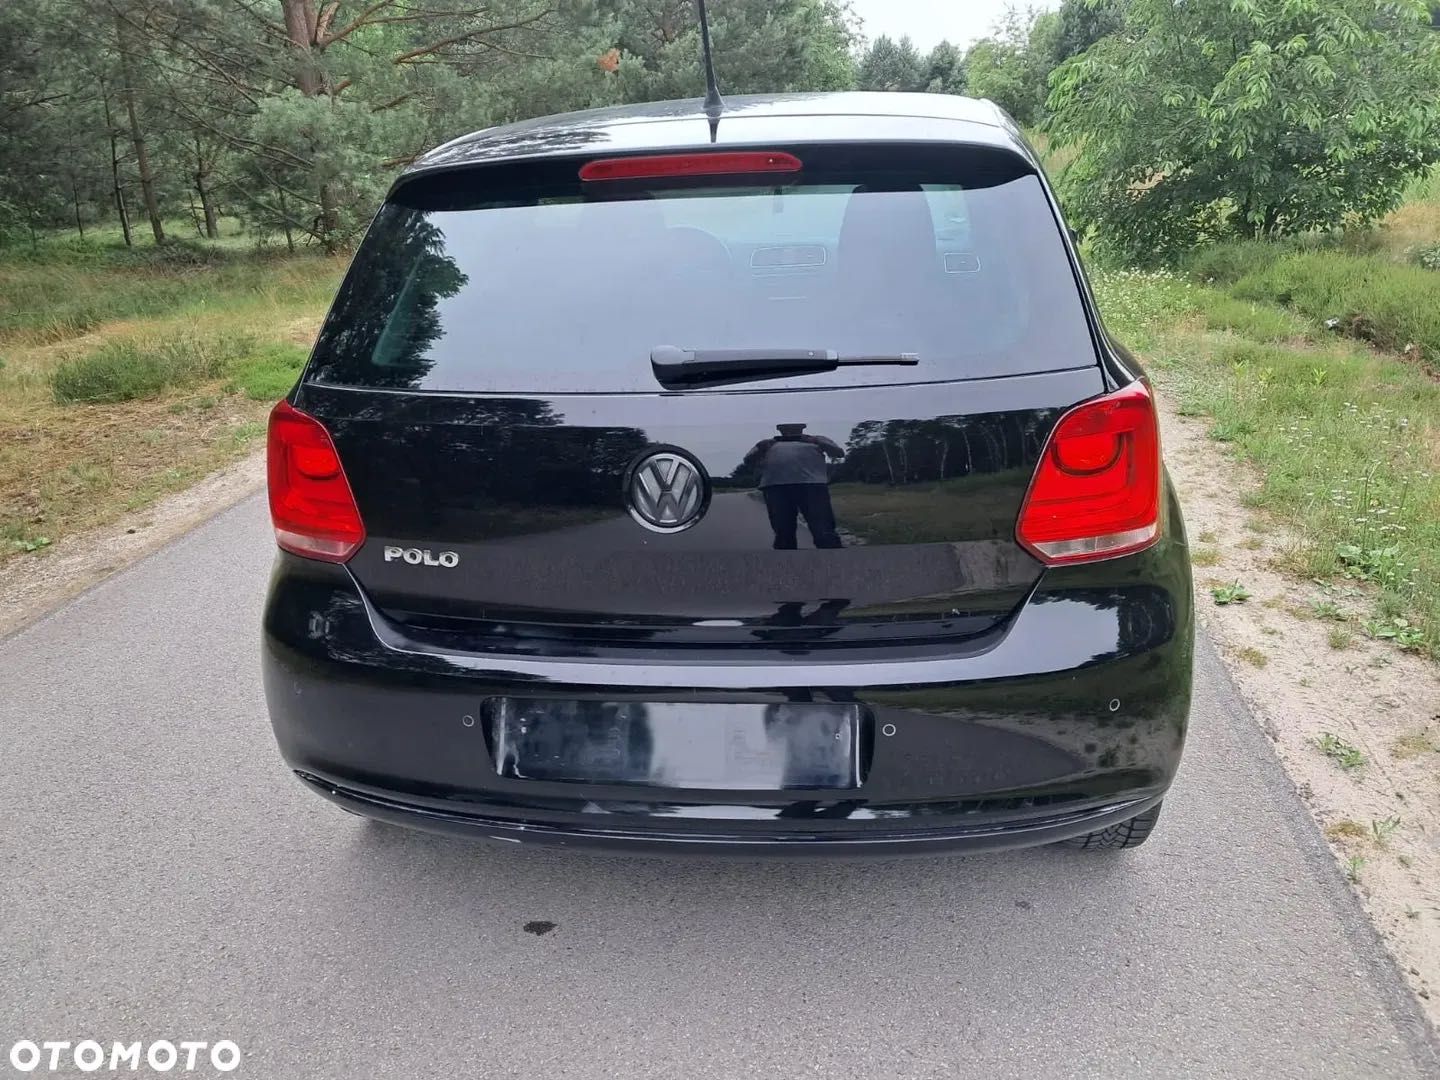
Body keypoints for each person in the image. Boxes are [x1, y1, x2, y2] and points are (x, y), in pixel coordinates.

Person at [742, 423, 845, 549]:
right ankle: (786, 559)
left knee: (823, 527)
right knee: (783, 529)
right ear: (780, 431)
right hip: (777, 486)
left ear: (802, 430)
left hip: (811, 485)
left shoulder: (816, 440)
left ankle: (831, 553)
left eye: (794, 429)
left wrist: (818, 441)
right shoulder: (767, 444)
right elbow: (747, 460)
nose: (790, 432)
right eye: (787, 430)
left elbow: (839, 453)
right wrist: (760, 449)